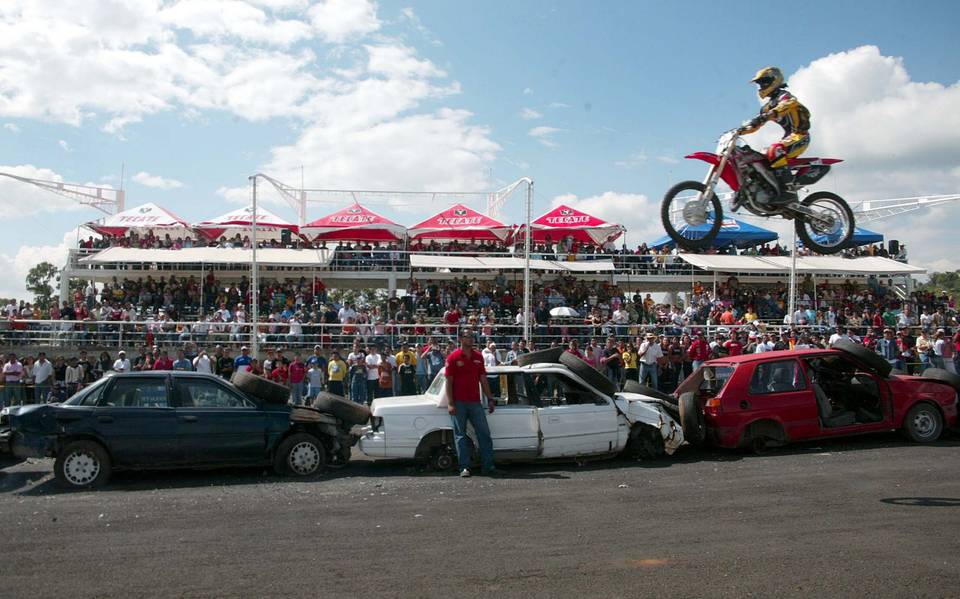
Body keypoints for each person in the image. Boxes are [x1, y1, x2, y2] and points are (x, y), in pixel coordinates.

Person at [739, 66, 811, 207]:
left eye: (764, 82)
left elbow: (789, 103)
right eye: (760, 84)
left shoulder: (784, 96)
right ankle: (770, 189)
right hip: (788, 137)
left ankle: (787, 192)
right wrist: (739, 132)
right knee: (760, 156)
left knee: (775, 149)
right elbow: (755, 125)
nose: (762, 86)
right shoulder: (766, 107)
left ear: (774, 80)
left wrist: (768, 115)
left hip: (800, 136)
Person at [445, 330, 498, 478]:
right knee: (460, 436)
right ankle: (464, 467)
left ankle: (488, 466)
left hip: (475, 402)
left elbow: (483, 379)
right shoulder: (453, 357)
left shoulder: (478, 357)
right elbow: (448, 382)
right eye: (468, 336)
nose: (471, 339)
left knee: (484, 434)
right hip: (458, 402)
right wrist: (450, 403)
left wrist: (490, 398)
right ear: (461, 339)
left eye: (472, 336)